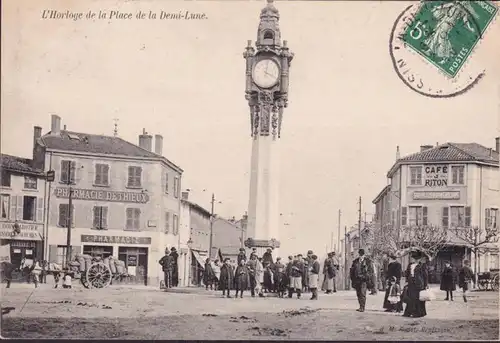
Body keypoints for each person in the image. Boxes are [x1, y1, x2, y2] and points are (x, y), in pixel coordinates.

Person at [403, 250, 428, 318]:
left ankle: (419, 313)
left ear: (417, 259)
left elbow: (425, 276)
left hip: (419, 284)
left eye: (413, 258)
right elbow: (407, 274)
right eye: (411, 258)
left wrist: (426, 285)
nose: (411, 259)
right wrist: (406, 281)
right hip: (411, 283)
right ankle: (408, 312)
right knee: (410, 298)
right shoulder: (410, 265)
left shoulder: (422, 265)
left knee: (418, 298)